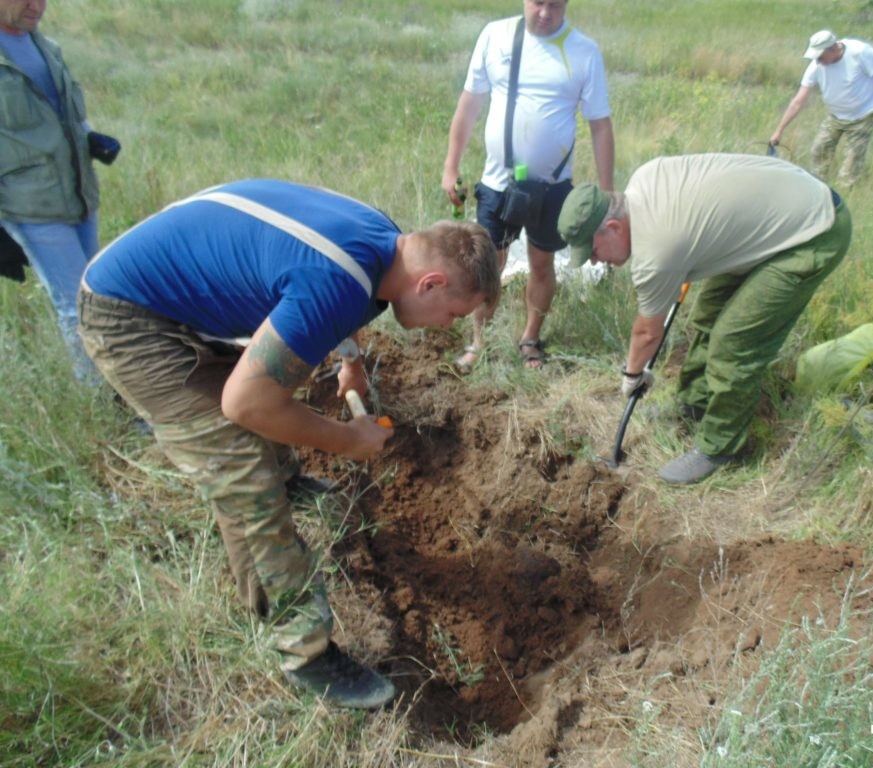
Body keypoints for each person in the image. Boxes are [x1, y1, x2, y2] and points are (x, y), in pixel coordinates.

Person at [78, 179, 500, 708]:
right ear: (433, 283)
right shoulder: (338, 283)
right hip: (132, 320)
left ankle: (289, 481)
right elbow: (244, 404)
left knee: (279, 383)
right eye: (455, 316)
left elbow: (320, 292)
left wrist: (350, 360)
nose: (447, 328)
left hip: (173, 291)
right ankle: (304, 652)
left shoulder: (389, 241)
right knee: (241, 465)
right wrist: (346, 440)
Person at [557, 154, 852, 484]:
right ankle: (695, 404)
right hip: (781, 212)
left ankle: (720, 447)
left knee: (733, 341)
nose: (596, 263)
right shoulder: (643, 178)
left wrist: (632, 374)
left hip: (814, 231)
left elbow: (647, 334)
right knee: (707, 313)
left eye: (594, 252)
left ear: (613, 227)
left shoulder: (655, 251)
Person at [442, 0, 614, 370]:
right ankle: (478, 342)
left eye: (555, 5)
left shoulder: (584, 52)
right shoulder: (495, 36)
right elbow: (469, 104)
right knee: (489, 264)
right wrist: (450, 165)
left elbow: (600, 126)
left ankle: (530, 338)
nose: (545, 13)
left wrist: (607, 194)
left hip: (552, 188)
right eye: (538, 3)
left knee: (541, 263)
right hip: (498, 182)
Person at [1, 0, 119, 381]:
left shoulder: (43, 46)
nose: (38, 6)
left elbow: (64, 114)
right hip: (30, 206)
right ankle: (102, 401)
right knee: (77, 307)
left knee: (98, 296)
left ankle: (117, 389)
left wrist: (91, 137)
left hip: (78, 194)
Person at [769, 29, 873, 187]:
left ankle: (845, 194)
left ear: (834, 49)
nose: (818, 60)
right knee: (819, 150)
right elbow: (798, 101)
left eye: (820, 56)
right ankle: (818, 186)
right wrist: (779, 130)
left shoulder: (860, 52)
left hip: (863, 114)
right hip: (835, 116)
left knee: (852, 161)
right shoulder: (816, 65)